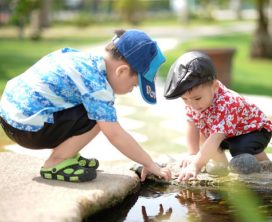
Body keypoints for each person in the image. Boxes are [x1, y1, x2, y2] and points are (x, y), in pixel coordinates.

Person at [0, 29, 172, 183]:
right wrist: (149, 164)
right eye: (134, 85)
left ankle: (68, 153)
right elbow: (115, 135)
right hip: (27, 128)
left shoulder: (85, 61)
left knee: (96, 110)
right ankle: (57, 161)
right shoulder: (96, 85)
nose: (131, 90)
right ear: (122, 71)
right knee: (101, 118)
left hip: (10, 116)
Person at [163, 51, 272, 181]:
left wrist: (195, 166)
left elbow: (216, 138)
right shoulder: (193, 101)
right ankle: (222, 168)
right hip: (229, 133)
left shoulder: (227, 102)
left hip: (255, 130)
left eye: (197, 98)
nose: (191, 104)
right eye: (185, 99)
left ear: (215, 86)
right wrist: (192, 154)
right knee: (204, 137)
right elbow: (192, 124)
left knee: (239, 149)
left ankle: (266, 166)